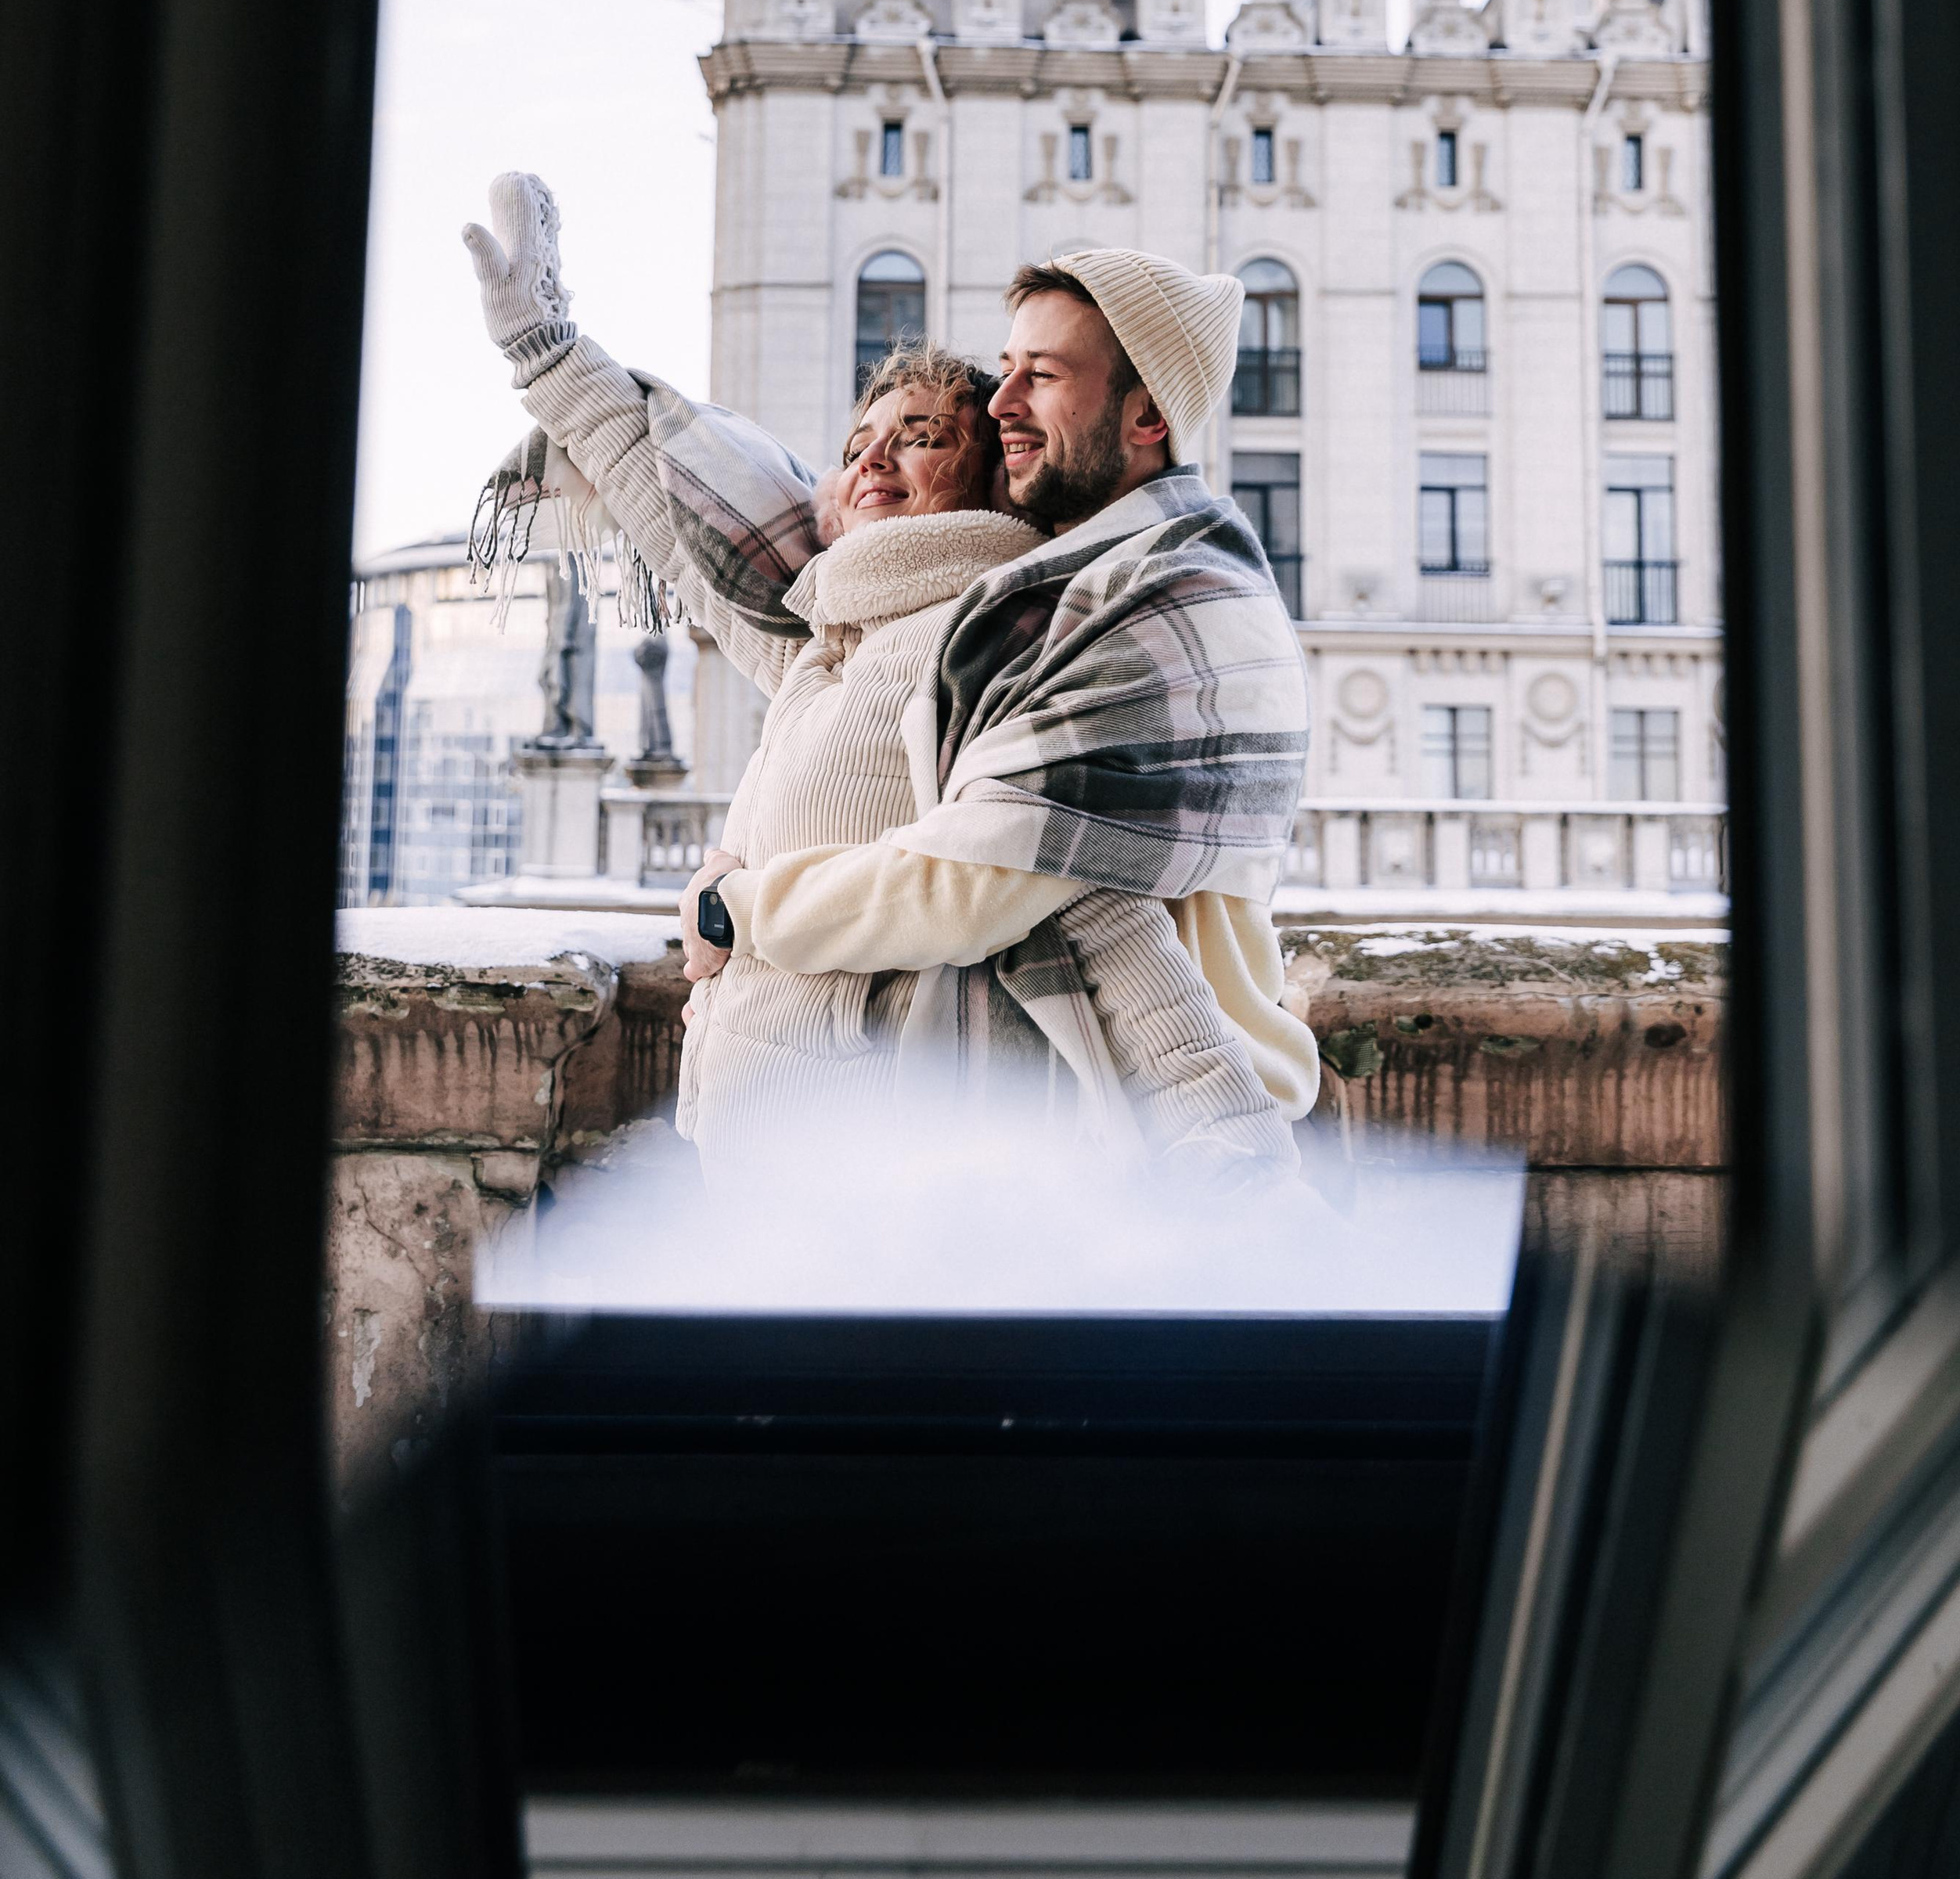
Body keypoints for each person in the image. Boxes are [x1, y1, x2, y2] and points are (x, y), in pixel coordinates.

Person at [462, 175, 1321, 1182]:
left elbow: (1051, 905)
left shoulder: (1047, 625)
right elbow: (695, 525)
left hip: (910, 1168)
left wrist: (732, 909)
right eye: (856, 447)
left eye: (925, 437)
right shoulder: (839, 633)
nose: (1002, 402)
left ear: (1142, 416)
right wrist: (546, 352)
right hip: (770, 1153)